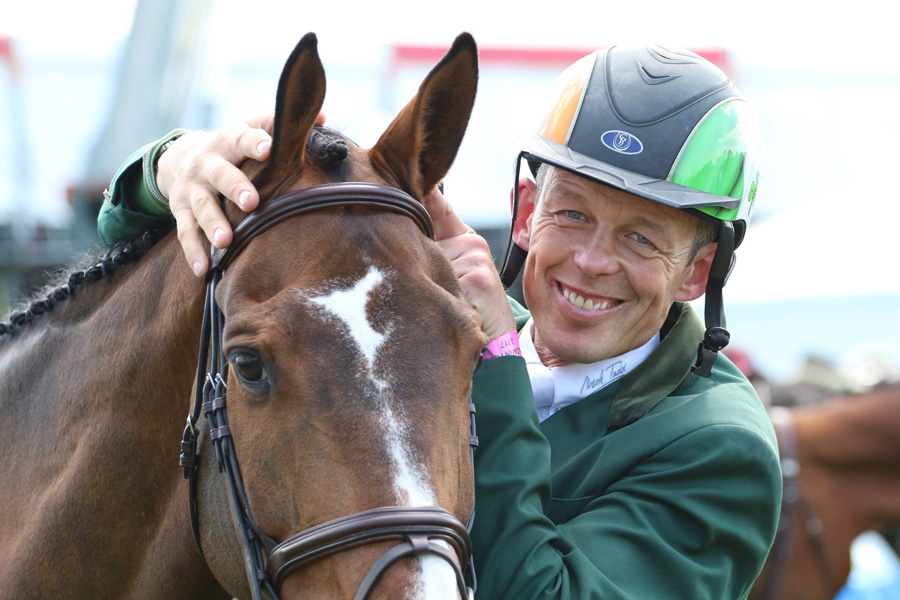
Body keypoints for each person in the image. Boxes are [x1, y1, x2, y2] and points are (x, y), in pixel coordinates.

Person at [98, 44, 781, 599]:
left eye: (640, 238)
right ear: (525, 214)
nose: (592, 261)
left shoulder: (721, 449)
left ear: (697, 273)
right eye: (571, 214)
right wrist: (172, 165)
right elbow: (131, 269)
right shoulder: (430, 336)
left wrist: (499, 359)